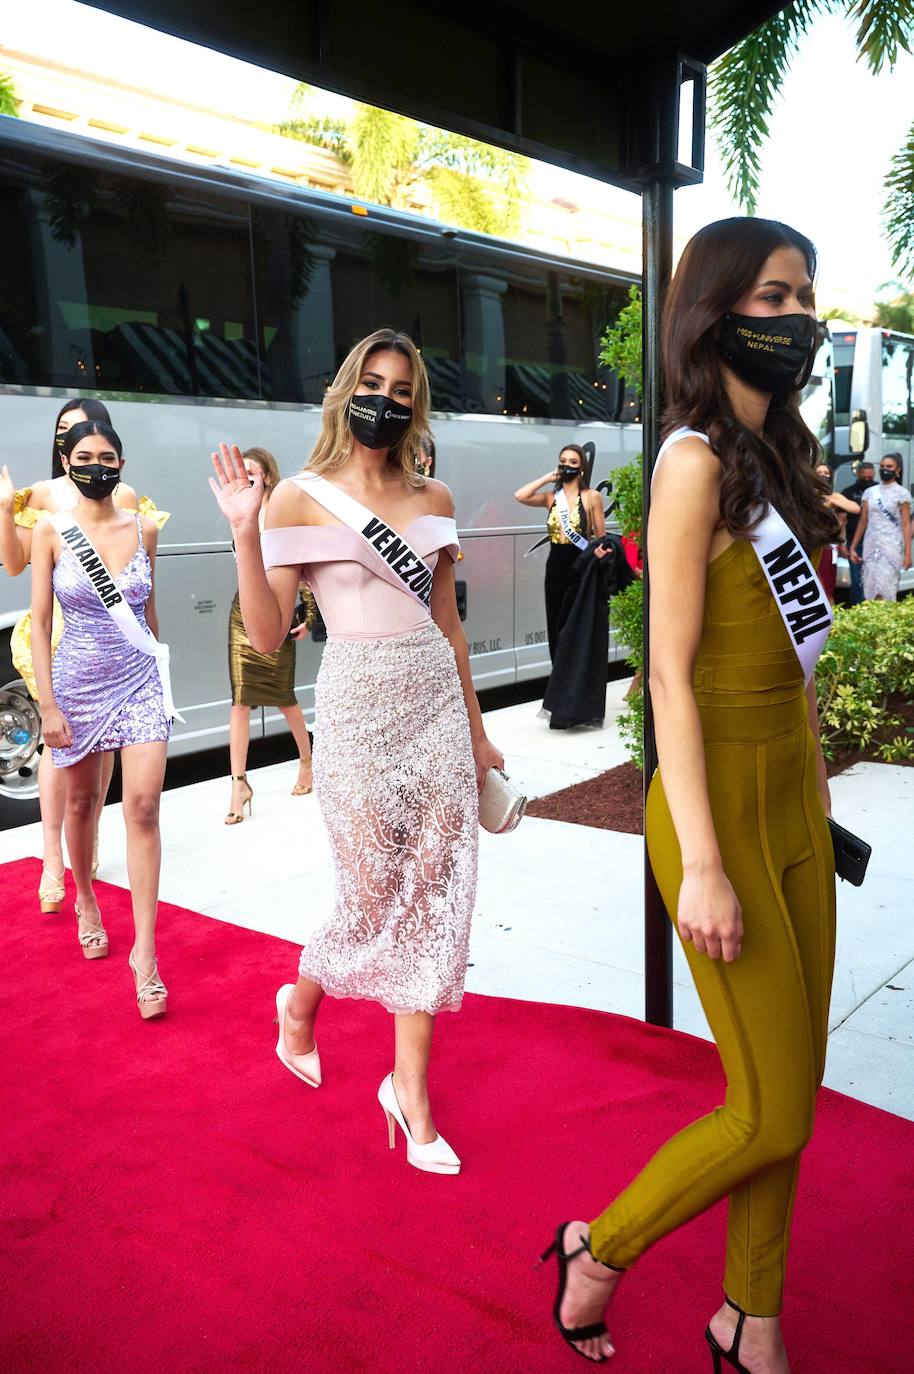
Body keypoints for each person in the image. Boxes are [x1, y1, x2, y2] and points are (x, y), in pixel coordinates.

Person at [539, 218, 837, 1373]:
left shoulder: (778, 464)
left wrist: (809, 773)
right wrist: (701, 863)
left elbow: (785, 659)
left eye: (804, 296)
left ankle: (745, 1321)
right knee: (769, 1108)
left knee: (787, 1086)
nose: (796, 318)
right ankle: (595, 1248)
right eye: (772, 296)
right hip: (712, 816)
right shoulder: (691, 462)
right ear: (713, 315)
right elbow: (664, 671)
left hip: (791, 807)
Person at [209, 327, 503, 1174]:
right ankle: (298, 1003)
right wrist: (243, 529)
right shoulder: (298, 499)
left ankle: (409, 1092)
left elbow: (449, 627)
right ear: (346, 391)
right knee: (373, 901)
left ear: (416, 406)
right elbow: (267, 640)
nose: (387, 398)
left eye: (403, 389)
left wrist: (479, 734)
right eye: (373, 382)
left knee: (438, 898)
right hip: (359, 710)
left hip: (436, 712)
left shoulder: (434, 495)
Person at [0, 397, 167, 912]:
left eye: (102, 449)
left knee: (122, 786)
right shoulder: (44, 500)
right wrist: (5, 511)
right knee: (69, 771)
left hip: (129, 654)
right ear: (63, 449)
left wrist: (159, 664)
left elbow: (146, 595)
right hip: (66, 641)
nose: (92, 459)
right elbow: (15, 566)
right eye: (68, 433)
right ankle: (56, 859)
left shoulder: (131, 505)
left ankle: (86, 848)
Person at [30, 420, 172, 1019]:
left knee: (141, 807)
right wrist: (48, 705)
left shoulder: (144, 530)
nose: (96, 465)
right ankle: (86, 896)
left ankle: (146, 954)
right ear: (67, 463)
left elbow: (149, 613)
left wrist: (164, 687)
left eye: (107, 455)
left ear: (121, 461)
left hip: (139, 680)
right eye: (84, 456)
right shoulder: (49, 532)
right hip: (77, 686)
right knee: (83, 804)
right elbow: (39, 622)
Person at [225, 446, 315, 823]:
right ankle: (238, 785)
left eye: (253, 472)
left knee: (284, 698)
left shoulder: (281, 514)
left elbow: (301, 571)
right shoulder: (238, 514)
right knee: (241, 701)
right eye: (241, 472)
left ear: (268, 477)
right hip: (242, 616)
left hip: (277, 610)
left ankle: (308, 762)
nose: (245, 477)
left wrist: (308, 615)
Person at [513, 445, 608, 660]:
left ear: (582, 468)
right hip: (555, 567)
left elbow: (601, 538)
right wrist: (547, 478)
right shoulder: (551, 498)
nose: (567, 466)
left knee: (576, 628)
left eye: (573, 462)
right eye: (563, 461)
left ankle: (576, 682)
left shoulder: (592, 497)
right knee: (556, 624)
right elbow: (520, 496)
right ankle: (558, 677)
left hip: (580, 567)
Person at [848, 452, 912, 601]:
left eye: (889, 466)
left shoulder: (902, 494)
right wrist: (853, 546)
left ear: (897, 470)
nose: (885, 469)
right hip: (870, 546)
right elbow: (863, 521)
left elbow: (906, 525)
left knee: (885, 590)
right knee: (870, 590)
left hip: (891, 548)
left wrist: (908, 554)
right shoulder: (870, 493)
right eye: (882, 466)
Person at [813, 461, 858, 603]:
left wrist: (831, 500)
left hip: (826, 548)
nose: (822, 475)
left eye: (826, 473)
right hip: (808, 546)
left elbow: (855, 508)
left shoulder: (834, 496)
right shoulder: (806, 495)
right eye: (819, 473)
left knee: (827, 588)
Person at [839, 459, 875, 604]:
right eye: (864, 478)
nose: (867, 480)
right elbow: (841, 521)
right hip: (855, 542)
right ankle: (857, 608)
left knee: (874, 579)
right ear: (858, 475)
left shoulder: (878, 491)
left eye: (870, 478)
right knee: (856, 581)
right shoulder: (848, 492)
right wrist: (842, 543)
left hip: (876, 542)